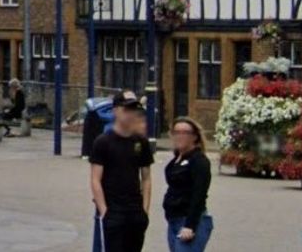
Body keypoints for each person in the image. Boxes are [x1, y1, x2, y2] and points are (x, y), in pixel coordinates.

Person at [90, 90, 153, 252]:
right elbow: (95, 179)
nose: (131, 114)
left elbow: (146, 177)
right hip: (113, 211)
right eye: (127, 109)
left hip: (135, 211)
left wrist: (145, 210)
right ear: (116, 110)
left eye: (134, 110)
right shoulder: (103, 142)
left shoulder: (140, 142)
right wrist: (104, 211)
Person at [163, 117, 212, 252]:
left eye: (185, 132)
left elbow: (199, 194)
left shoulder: (199, 161)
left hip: (190, 221)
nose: (180, 136)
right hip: (174, 220)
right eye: (176, 132)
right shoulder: (177, 159)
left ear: (194, 137)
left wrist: (190, 226)